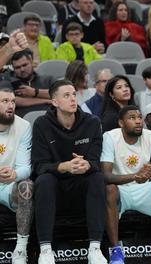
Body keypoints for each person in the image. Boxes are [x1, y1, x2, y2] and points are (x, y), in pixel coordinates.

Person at [32, 80, 107, 264]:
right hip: (55, 186)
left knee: (97, 177)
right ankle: (45, 249)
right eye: (66, 95)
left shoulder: (92, 122)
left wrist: (87, 165)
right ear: (54, 102)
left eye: (74, 94)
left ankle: (95, 248)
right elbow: (39, 166)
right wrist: (63, 166)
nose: (73, 99)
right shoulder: (42, 124)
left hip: (81, 183)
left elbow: (96, 161)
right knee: (44, 180)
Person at [101, 105, 151, 264]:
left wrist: (149, 175)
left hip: (144, 187)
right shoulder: (110, 137)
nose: (138, 121)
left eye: (139, 117)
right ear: (121, 123)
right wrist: (134, 176)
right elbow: (106, 176)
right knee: (109, 189)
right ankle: (116, 251)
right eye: (132, 118)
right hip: (121, 189)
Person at [0, 88, 32, 264]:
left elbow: (25, 167)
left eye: (12, 101)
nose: (10, 105)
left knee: (26, 186)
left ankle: (21, 249)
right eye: (4, 101)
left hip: (9, 185)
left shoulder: (23, 126)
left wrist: (15, 174)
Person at [9, 49, 54, 117]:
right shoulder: (9, 82)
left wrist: (35, 92)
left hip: (49, 117)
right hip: (22, 119)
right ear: (13, 69)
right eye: (17, 67)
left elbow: (58, 93)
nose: (22, 69)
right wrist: (46, 100)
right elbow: (14, 100)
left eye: (24, 65)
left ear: (31, 62)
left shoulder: (47, 79)